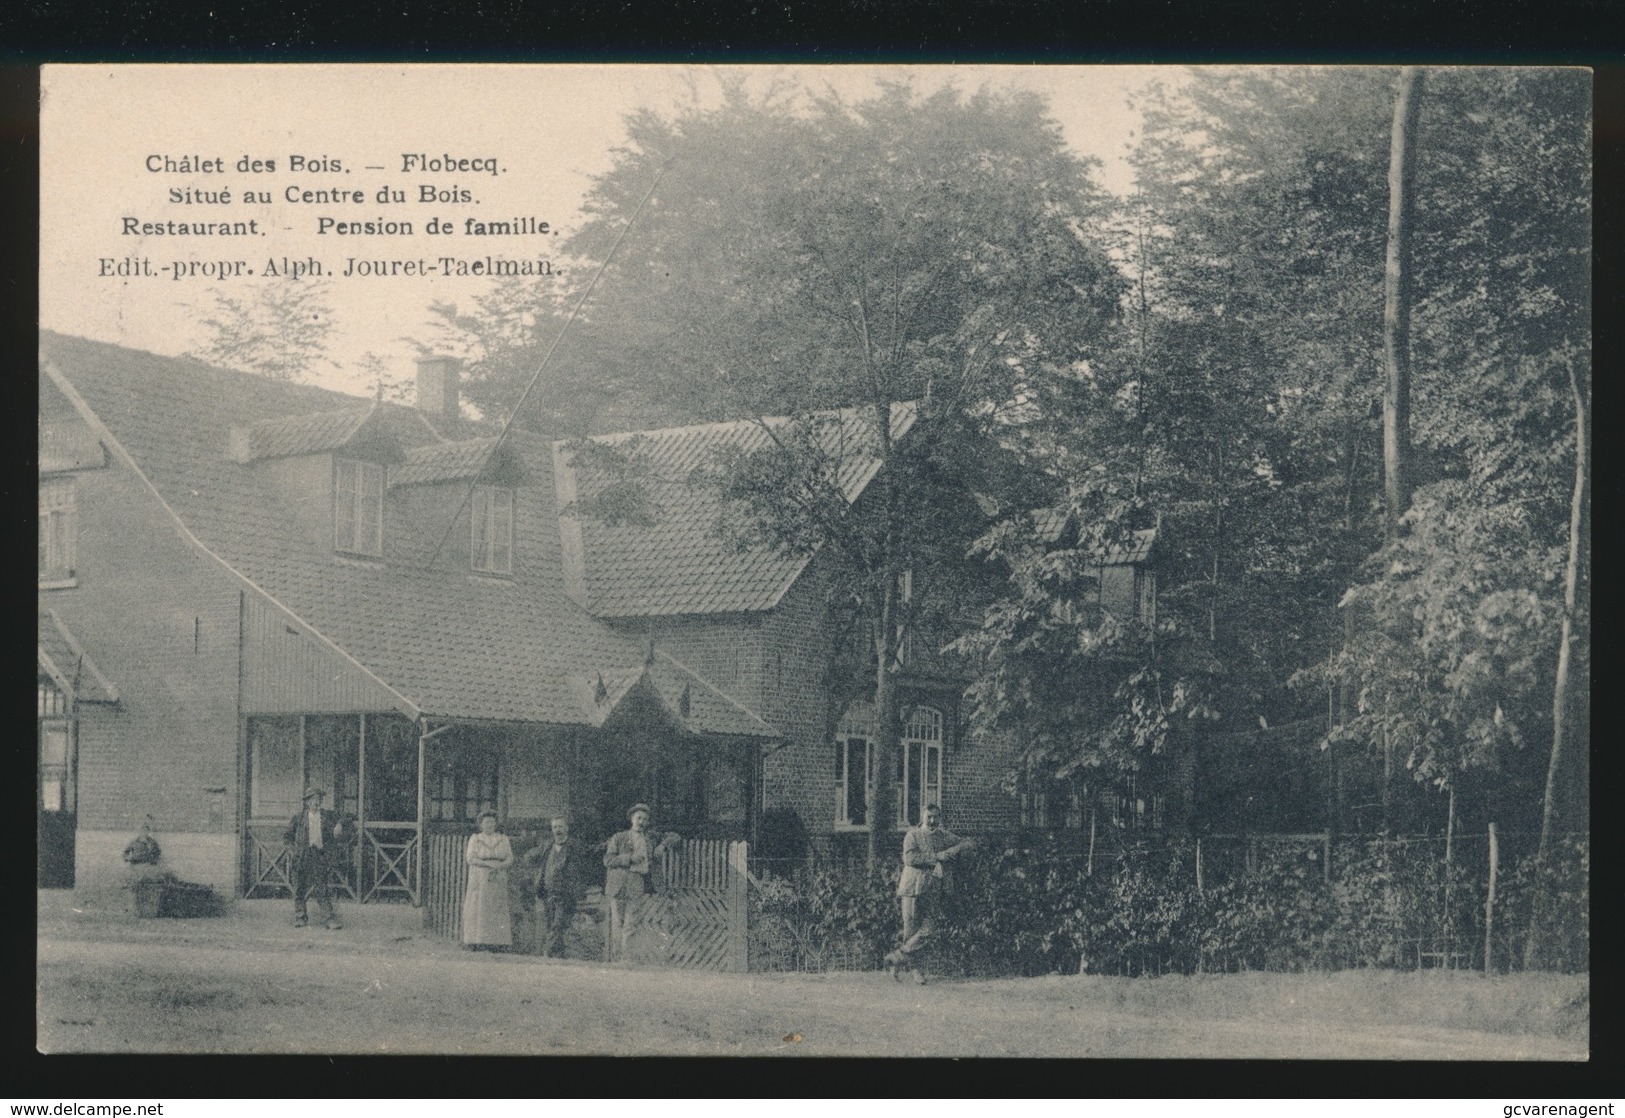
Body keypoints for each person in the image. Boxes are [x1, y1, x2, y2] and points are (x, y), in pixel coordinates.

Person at [884, 803, 972, 984]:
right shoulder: (913, 835)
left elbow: (968, 843)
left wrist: (951, 851)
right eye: (929, 816)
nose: (932, 821)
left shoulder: (944, 836)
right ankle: (916, 971)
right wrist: (936, 857)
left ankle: (898, 957)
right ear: (922, 817)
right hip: (912, 889)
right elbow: (909, 858)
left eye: (936, 817)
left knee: (929, 929)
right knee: (911, 930)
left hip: (934, 889)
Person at [602, 802, 678, 961]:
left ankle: (626, 960)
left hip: (636, 882)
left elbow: (675, 837)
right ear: (631, 819)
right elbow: (608, 860)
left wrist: (662, 845)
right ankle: (617, 959)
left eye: (645, 819)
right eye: (638, 818)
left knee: (631, 924)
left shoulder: (651, 837)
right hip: (617, 884)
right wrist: (629, 858)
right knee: (617, 924)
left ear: (648, 822)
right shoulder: (619, 837)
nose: (641, 822)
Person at [282, 787, 348, 929]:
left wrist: (339, 824)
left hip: (319, 855)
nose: (316, 802)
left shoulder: (327, 815)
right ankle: (300, 918)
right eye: (313, 800)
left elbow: (347, 816)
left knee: (322, 888)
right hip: (302, 856)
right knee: (299, 888)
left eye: (318, 800)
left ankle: (329, 920)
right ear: (307, 802)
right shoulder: (298, 818)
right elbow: (287, 837)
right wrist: (293, 851)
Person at [528, 815, 589, 958]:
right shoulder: (547, 846)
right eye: (555, 827)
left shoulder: (575, 846)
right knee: (552, 925)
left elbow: (583, 867)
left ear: (566, 828)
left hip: (566, 894)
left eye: (560, 826)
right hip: (548, 893)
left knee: (558, 924)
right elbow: (530, 857)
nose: (557, 830)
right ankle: (558, 955)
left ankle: (547, 954)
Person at [463, 810, 515, 950]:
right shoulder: (476, 839)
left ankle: (497, 943)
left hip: (498, 876)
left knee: (497, 908)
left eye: (492, 822)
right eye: (486, 822)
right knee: (479, 908)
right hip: (480, 876)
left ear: (496, 824)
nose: (490, 825)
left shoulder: (503, 839)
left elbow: (510, 858)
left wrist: (500, 865)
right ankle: (477, 941)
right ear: (481, 824)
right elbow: (470, 858)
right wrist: (488, 864)